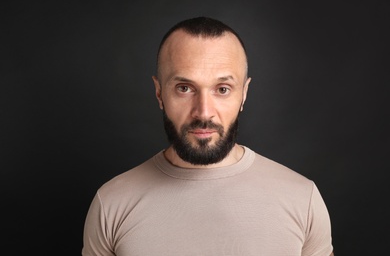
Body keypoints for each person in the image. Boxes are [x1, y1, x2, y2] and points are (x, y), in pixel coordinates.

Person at [82, 17, 334, 256]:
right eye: (184, 88)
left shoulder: (303, 199)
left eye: (222, 89)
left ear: (244, 94)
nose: (203, 111)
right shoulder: (112, 203)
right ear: (159, 93)